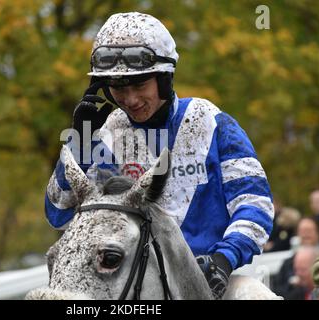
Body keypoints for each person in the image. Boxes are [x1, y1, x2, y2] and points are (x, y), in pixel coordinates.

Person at [44, 12, 274, 299]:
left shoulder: (210, 122)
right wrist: (80, 141)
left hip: (213, 285)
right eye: (118, 88)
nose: (130, 100)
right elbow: (58, 214)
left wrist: (224, 260)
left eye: (139, 85)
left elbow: (255, 204)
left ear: (165, 79)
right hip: (135, 290)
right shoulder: (103, 136)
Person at [272, 217, 319, 299]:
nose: (305, 234)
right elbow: (276, 291)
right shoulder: (288, 263)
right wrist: (292, 286)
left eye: (309, 230)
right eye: (302, 231)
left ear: (318, 234)